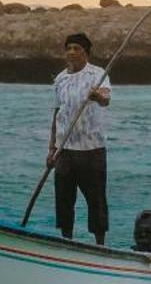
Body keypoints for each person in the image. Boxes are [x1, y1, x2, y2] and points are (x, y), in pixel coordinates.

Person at [47, 31, 112, 244]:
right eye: (69, 48)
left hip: (92, 149)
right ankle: (67, 240)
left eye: (77, 49)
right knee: (64, 200)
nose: (72, 53)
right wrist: (51, 150)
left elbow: (105, 101)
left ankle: (100, 244)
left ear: (86, 53)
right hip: (64, 149)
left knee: (96, 200)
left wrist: (97, 96)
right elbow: (57, 113)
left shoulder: (98, 75)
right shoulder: (61, 79)